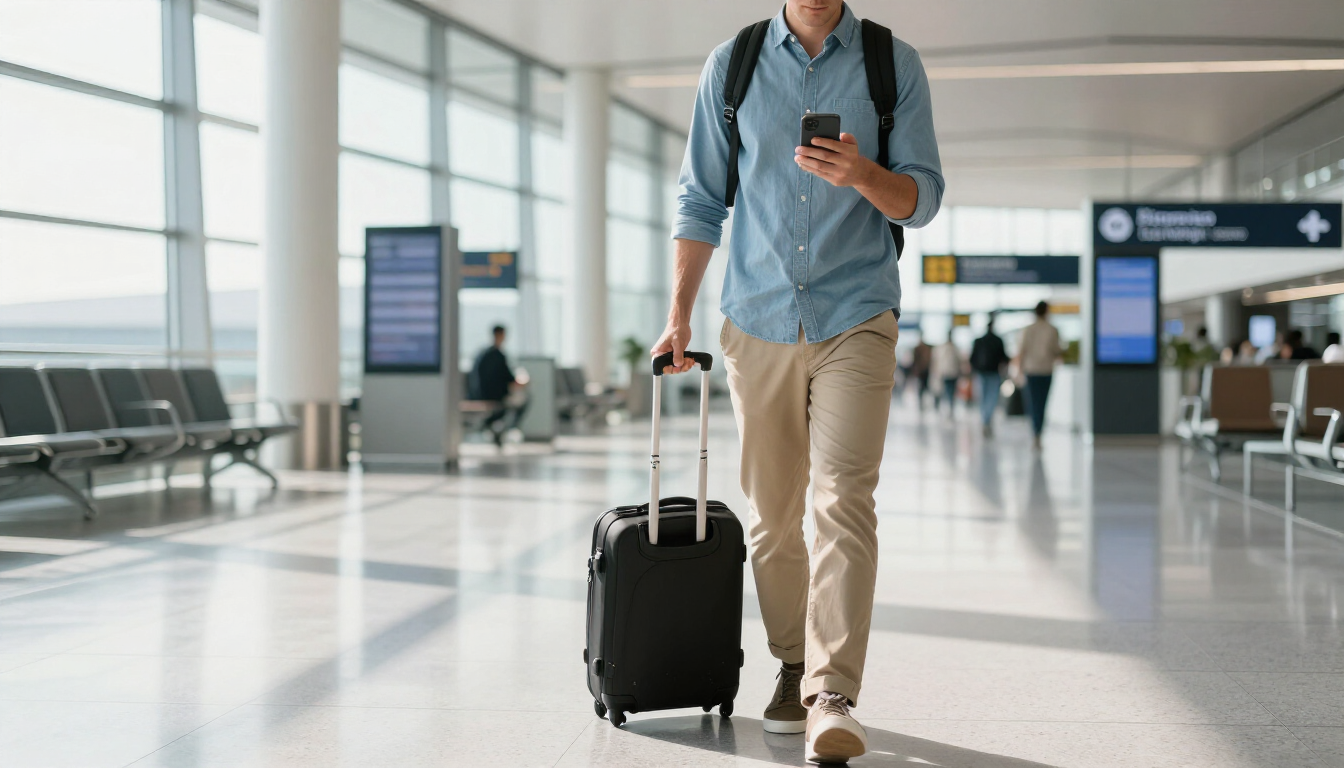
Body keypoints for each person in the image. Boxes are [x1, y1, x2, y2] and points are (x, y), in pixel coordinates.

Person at [653, 0, 943, 761]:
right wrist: (678, 314)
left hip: (858, 314)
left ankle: (832, 691)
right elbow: (700, 197)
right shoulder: (735, 63)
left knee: (844, 498)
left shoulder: (890, 62)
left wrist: (866, 174)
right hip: (758, 317)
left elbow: (923, 199)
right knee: (774, 518)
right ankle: (791, 662)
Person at [1014, 301, 1062, 451]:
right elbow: (1056, 350)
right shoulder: (1053, 330)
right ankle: (1039, 433)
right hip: (1046, 370)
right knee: (1042, 403)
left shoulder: (1028, 329)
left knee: (1033, 403)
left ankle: (1035, 433)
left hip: (1031, 370)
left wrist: (1019, 370)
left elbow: (1022, 351)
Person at [468, 325, 525, 447]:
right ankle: (507, 429)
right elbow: (509, 378)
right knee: (521, 401)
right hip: (495, 395)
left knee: (506, 405)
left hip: (479, 393)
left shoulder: (483, 354)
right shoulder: (498, 356)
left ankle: (492, 427)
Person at [969, 314, 1010, 436]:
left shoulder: (978, 341)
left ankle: (985, 420)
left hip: (981, 373)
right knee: (992, 398)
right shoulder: (998, 341)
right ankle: (987, 420)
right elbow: (1004, 358)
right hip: (993, 373)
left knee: (982, 398)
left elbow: (972, 359)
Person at [930, 336, 962, 415]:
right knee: (950, 391)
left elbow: (935, 361)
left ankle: (943, 406)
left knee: (943, 390)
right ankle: (949, 406)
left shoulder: (940, 349)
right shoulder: (955, 348)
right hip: (952, 373)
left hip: (944, 373)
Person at [911, 339, 933, 410]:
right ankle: (923, 404)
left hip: (922, 372)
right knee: (923, 388)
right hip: (923, 372)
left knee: (923, 388)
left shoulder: (918, 349)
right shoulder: (926, 349)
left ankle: (923, 403)